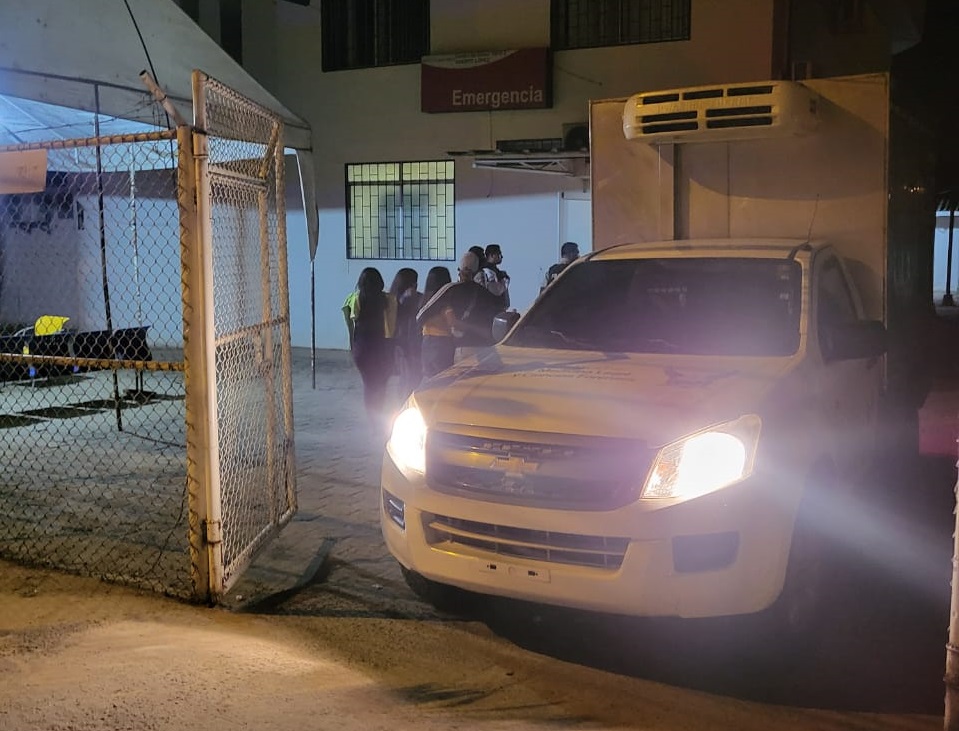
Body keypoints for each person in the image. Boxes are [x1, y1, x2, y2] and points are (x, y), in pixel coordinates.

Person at [416, 251, 500, 379]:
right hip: (482, 348)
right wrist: (482, 331)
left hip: (452, 346)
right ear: (477, 271)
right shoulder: (485, 294)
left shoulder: (448, 292)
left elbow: (421, 317)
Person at [345, 267, 397, 432]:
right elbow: (392, 325)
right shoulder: (389, 300)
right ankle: (379, 418)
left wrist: (352, 345)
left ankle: (373, 421)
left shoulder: (355, 299)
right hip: (382, 347)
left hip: (363, 347)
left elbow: (349, 320)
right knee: (381, 384)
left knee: (369, 384)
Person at [389, 267, 422, 400]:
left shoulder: (391, 299)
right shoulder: (413, 298)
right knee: (411, 378)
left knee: (405, 378)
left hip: (399, 343)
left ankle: (403, 405)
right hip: (410, 345)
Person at [474, 243, 510, 308]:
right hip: (492, 310)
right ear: (492, 255)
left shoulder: (495, 271)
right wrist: (505, 279)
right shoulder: (487, 271)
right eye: (499, 254)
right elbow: (496, 290)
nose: (501, 256)